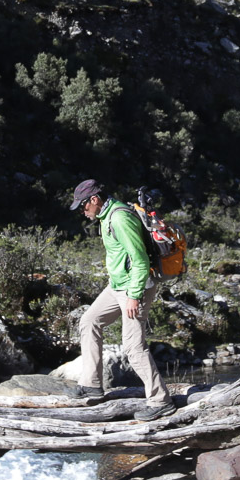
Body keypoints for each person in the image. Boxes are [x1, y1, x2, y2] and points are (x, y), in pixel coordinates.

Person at [69, 178, 171, 418]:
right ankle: (92, 385)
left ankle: (160, 401)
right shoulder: (106, 217)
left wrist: (134, 296)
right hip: (117, 286)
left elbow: (140, 260)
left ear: (94, 200)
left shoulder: (119, 218)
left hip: (135, 288)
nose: (83, 212)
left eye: (83, 206)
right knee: (89, 321)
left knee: (133, 347)